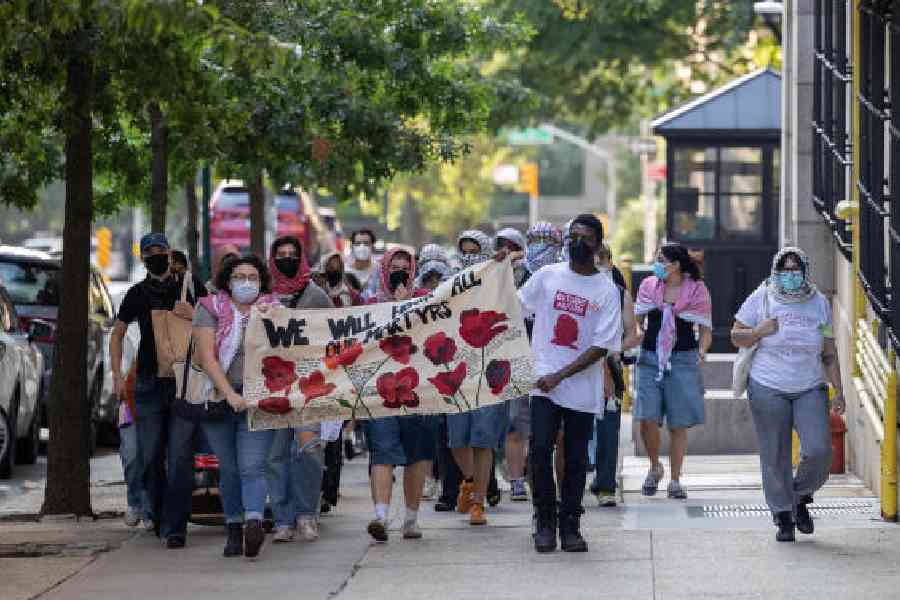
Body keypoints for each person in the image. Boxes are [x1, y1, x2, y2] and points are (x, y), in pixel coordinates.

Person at [513, 214, 622, 553]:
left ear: (598, 245)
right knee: (541, 450)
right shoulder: (546, 277)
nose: (577, 242)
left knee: (575, 459)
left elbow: (602, 346)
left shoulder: (606, 289)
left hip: (577, 389)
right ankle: (543, 522)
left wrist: (559, 376)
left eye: (585, 237)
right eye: (573, 235)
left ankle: (570, 524)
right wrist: (500, 271)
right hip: (542, 383)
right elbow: (515, 308)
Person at [732, 247, 845, 542]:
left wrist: (839, 390)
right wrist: (758, 331)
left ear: (805, 272)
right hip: (768, 385)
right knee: (775, 454)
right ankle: (783, 515)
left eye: (796, 270)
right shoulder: (763, 297)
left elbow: (829, 353)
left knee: (819, 450)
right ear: (776, 271)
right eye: (785, 270)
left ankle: (799, 494)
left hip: (809, 385)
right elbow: (736, 335)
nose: (791, 275)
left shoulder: (818, 302)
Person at [110, 233, 205, 539]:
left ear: (169, 252)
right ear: (142, 258)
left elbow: (218, 323)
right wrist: (116, 374)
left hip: (184, 383)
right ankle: (161, 514)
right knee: (150, 457)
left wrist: (196, 315)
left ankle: (175, 526)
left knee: (179, 457)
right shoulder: (137, 293)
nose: (156, 255)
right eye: (149, 251)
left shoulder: (190, 287)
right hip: (149, 383)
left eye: (160, 250)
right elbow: (117, 333)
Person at [193, 254, 280, 559]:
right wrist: (229, 393)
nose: (246, 283)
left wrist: (272, 319)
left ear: (262, 282)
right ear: (227, 282)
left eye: (252, 277)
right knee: (229, 469)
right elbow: (207, 357)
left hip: (259, 401)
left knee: (252, 466)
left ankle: (253, 522)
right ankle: (233, 526)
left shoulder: (276, 311)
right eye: (239, 277)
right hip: (219, 400)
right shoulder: (208, 309)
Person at [364, 248, 438, 542]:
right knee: (382, 452)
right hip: (380, 390)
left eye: (404, 268)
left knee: (418, 456)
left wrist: (408, 307)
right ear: (383, 269)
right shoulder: (369, 305)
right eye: (393, 267)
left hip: (419, 390)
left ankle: (410, 518)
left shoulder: (426, 301)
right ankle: (380, 517)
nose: (398, 272)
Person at [265, 236, 334, 544]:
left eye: (293, 254)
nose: (287, 259)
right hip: (271, 388)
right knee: (276, 455)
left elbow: (334, 338)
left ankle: (306, 514)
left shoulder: (316, 296)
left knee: (308, 451)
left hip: (308, 387)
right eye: (281, 255)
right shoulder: (263, 296)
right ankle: (282, 519)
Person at [633, 243, 712, 500]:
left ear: (676, 264)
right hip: (649, 357)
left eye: (661, 259)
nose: (657, 264)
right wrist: (636, 334)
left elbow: (706, 329)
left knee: (678, 423)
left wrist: (702, 350)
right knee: (646, 417)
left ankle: (675, 480)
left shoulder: (697, 290)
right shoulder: (648, 286)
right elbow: (637, 320)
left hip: (683, 359)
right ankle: (655, 466)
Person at [445, 230, 508, 525]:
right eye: (465, 250)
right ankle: (469, 481)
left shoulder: (499, 280)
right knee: (457, 439)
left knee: (483, 438)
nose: (470, 256)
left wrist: (500, 265)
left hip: (491, 366)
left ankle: (478, 503)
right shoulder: (451, 282)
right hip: (456, 368)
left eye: (476, 251)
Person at [590, 246, 642, 507]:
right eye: (593, 259)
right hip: (576, 370)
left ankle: (607, 485)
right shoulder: (574, 291)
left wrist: (613, 351)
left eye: (602, 260)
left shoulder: (621, 294)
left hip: (610, 368)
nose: (598, 264)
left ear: (611, 263)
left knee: (609, 430)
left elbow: (634, 333)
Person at [346, 229, 379, 294]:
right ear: (352, 247)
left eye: (366, 243)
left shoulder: (379, 270)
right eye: (357, 244)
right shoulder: (345, 271)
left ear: (373, 246)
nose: (362, 247)